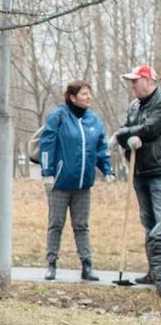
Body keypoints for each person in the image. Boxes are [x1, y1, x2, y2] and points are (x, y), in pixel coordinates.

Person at [38, 79, 114, 281]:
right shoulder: (58, 116)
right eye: (84, 94)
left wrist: (107, 169)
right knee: (56, 223)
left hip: (83, 185)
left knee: (81, 225)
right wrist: (47, 172)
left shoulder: (93, 121)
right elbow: (47, 144)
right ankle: (51, 264)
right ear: (72, 97)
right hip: (59, 184)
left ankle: (86, 265)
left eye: (89, 94)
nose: (88, 97)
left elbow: (100, 148)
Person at [114, 64, 161, 293]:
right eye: (131, 81)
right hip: (139, 170)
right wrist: (128, 136)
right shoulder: (134, 106)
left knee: (159, 227)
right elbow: (123, 131)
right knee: (148, 222)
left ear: (148, 80)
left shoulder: (159, 101)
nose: (132, 85)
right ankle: (154, 270)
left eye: (136, 80)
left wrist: (129, 134)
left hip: (158, 171)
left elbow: (152, 128)